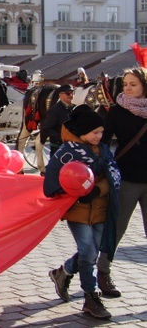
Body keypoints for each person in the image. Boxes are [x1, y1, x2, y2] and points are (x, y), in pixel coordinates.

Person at [44, 104, 120, 320]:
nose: (100, 136)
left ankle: (64, 272)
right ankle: (91, 296)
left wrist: (97, 189)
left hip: (99, 208)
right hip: (77, 210)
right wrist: (77, 190)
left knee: (92, 251)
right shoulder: (66, 153)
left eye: (102, 132)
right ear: (82, 132)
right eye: (95, 132)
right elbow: (55, 178)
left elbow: (112, 177)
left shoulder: (104, 151)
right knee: (88, 252)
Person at [96, 66, 147, 298]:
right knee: (117, 228)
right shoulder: (117, 111)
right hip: (126, 177)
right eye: (125, 84)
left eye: (133, 84)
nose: (127, 88)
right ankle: (103, 272)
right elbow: (102, 142)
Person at [41, 84, 75, 159]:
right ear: (60, 95)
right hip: (59, 148)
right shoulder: (55, 110)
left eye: (73, 92)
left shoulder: (74, 108)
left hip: (73, 146)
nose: (71, 95)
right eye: (68, 93)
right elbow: (47, 129)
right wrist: (62, 137)